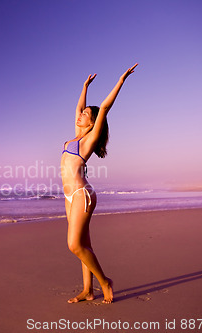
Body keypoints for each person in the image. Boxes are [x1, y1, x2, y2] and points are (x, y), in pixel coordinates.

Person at [61, 63, 138, 304]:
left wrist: (121, 81)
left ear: (93, 123)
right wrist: (84, 87)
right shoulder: (76, 135)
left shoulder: (89, 139)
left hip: (82, 194)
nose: (81, 113)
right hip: (68, 196)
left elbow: (104, 107)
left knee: (74, 245)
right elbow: (78, 107)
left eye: (86, 114)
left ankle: (105, 282)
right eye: (81, 113)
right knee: (84, 244)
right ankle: (88, 290)